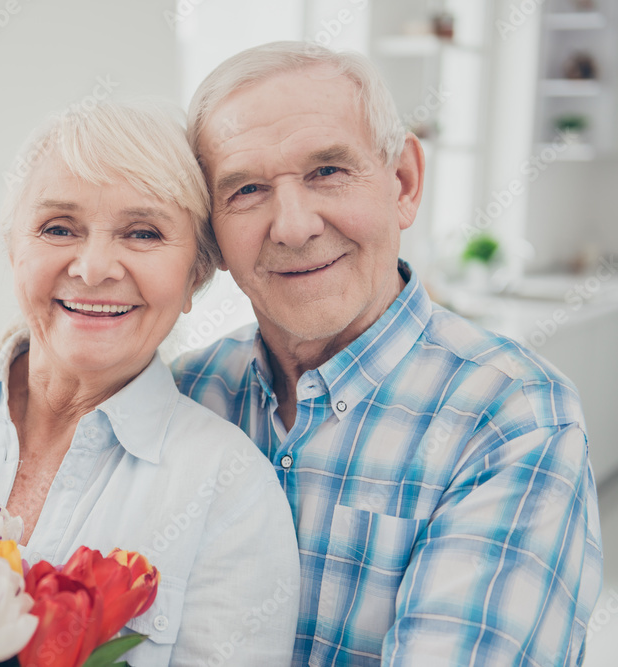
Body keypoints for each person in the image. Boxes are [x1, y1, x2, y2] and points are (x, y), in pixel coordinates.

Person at [172, 41, 602, 666]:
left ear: (402, 183)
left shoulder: (513, 418)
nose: (293, 226)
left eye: (327, 171)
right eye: (246, 189)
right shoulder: (185, 394)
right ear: (211, 229)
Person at [0, 102, 299, 665]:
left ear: (195, 276)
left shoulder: (230, 490)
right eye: (58, 228)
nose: (93, 268)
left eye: (142, 233)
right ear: (14, 250)